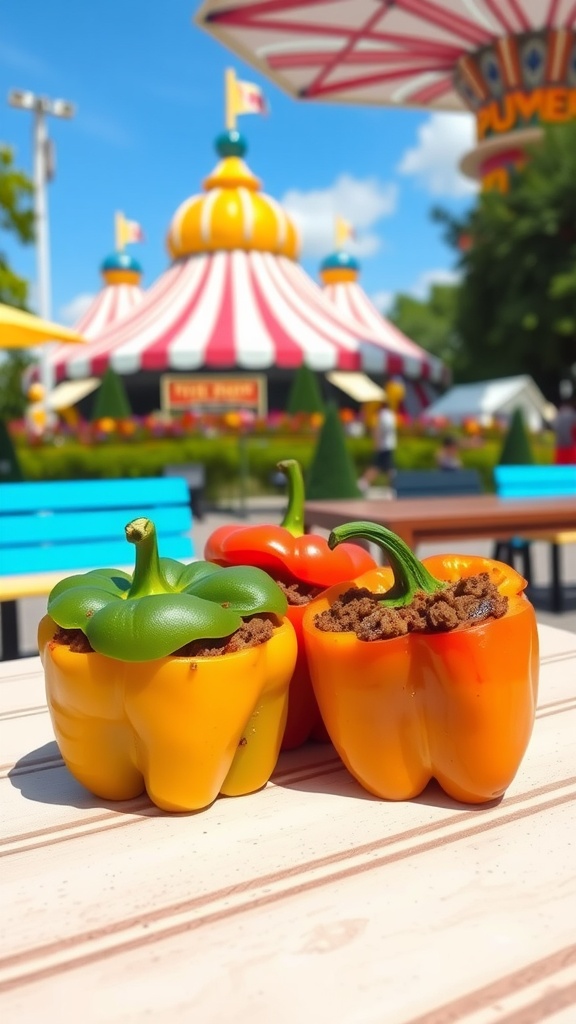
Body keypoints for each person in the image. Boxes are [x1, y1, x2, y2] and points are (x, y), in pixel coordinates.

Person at [359, 396, 397, 491]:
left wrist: (376, 442)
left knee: (382, 466)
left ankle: (364, 482)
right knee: (383, 466)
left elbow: (378, 430)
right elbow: (382, 430)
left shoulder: (383, 415)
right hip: (386, 445)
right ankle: (365, 482)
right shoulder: (387, 415)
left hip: (385, 445)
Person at [553, 396, 576, 465]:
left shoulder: (559, 414)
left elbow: (555, 428)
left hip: (560, 445)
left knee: (560, 466)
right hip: (570, 446)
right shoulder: (573, 414)